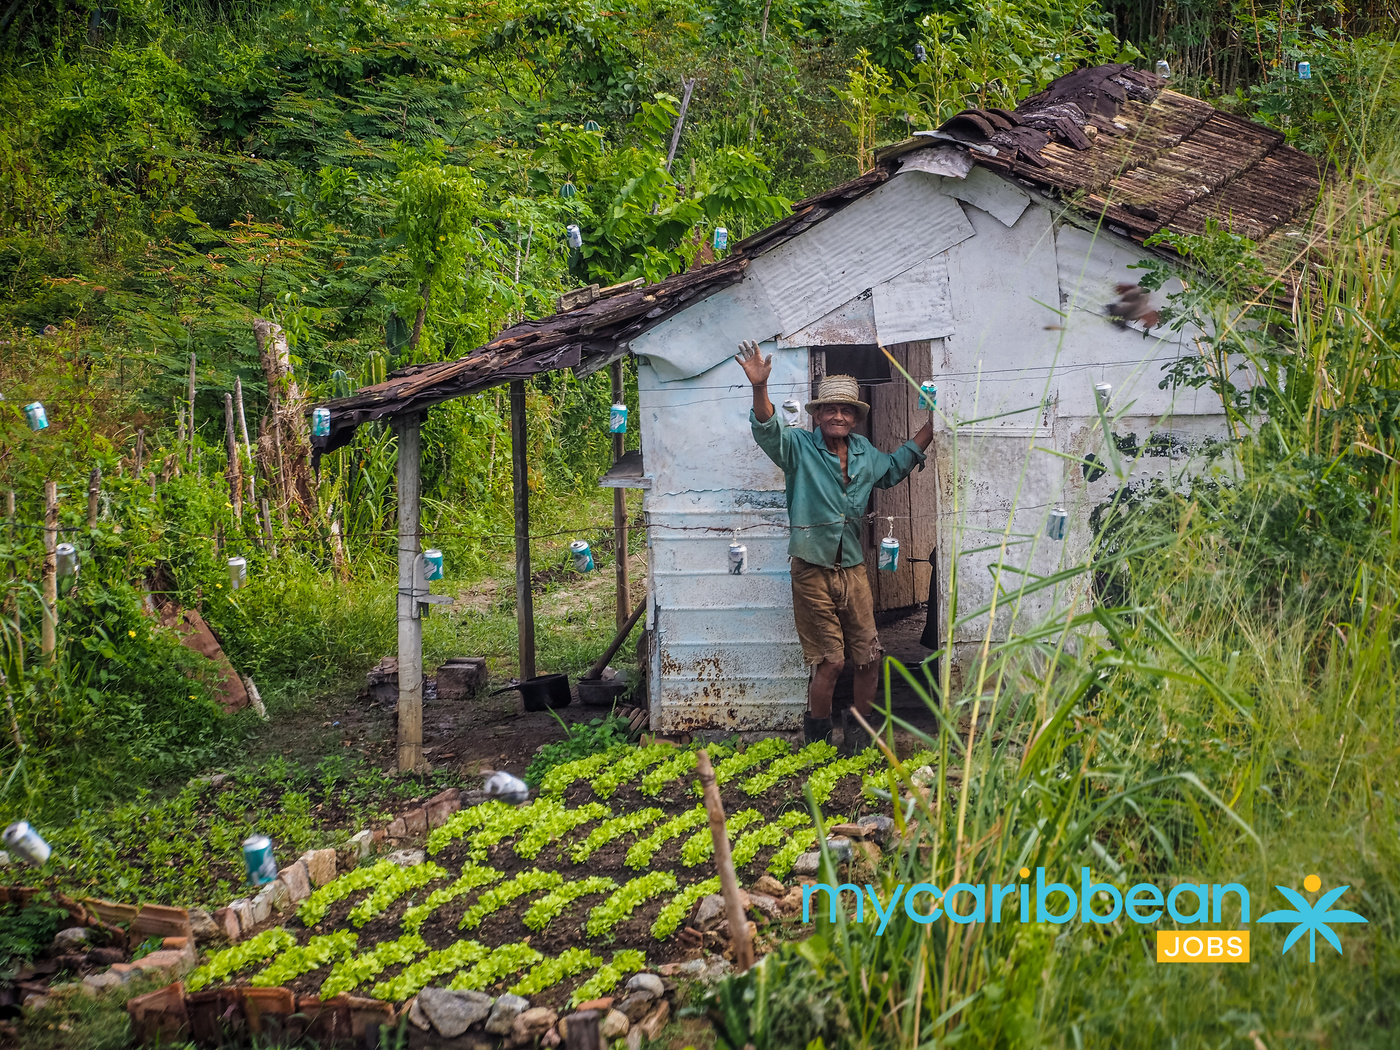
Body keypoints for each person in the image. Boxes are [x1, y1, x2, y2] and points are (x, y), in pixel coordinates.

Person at [736, 340, 934, 752]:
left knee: (868, 655)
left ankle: (860, 740)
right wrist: (760, 388)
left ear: (856, 418)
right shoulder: (798, 448)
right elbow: (768, 429)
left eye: (846, 410)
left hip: (854, 568)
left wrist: (935, 422)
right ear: (819, 415)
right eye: (830, 409)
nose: (838, 415)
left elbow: (897, 465)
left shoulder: (864, 453)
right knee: (831, 661)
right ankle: (820, 742)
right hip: (810, 568)